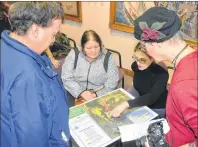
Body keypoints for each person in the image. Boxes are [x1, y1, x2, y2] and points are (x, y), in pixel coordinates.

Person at [120, 7, 197, 147]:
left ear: (155, 44)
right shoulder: (191, 59)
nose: (145, 50)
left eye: (144, 45)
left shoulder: (185, 84)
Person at [1, 2, 70, 147]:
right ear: (36, 31)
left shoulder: (5, 47)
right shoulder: (27, 77)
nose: (54, 40)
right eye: (54, 34)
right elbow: (32, 138)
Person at [110, 42, 169, 118]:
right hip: (142, 102)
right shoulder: (135, 66)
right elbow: (138, 86)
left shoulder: (161, 74)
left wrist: (127, 104)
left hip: (158, 108)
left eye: (142, 60)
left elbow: (152, 97)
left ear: (152, 58)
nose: (137, 63)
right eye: (136, 58)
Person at [61, 30, 119, 107]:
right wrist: (81, 93)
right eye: (88, 48)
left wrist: (96, 95)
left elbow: (112, 82)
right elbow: (66, 77)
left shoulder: (108, 57)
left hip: (100, 93)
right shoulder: (74, 54)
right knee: (69, 115)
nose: (93, 51)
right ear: (82, 47)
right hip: (75, 92)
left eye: (96, 47)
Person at [0, 2, 60, 68]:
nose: (18, 14)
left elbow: (43, 38)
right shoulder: (2, 26)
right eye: (13, 12)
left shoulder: (28, 17)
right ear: (6, 14)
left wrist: (51, 57)